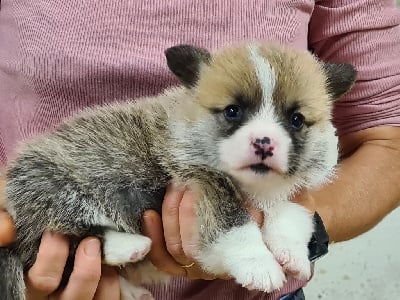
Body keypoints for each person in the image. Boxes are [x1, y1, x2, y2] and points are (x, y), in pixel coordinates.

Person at [0, 0, 399, 299]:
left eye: (294, 121)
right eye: (232, 113)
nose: (263, 138)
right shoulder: (190, 135)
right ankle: (98, 242)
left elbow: (387, 137)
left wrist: (304, 225)